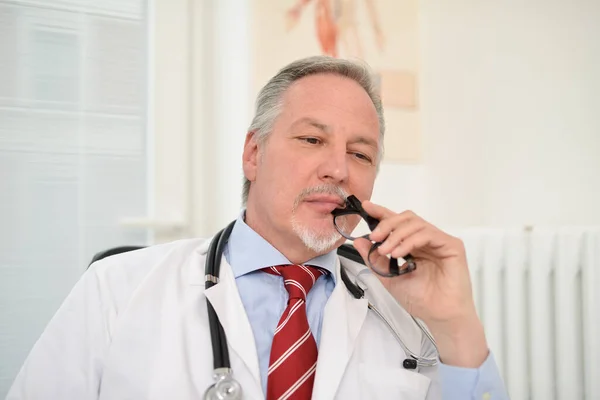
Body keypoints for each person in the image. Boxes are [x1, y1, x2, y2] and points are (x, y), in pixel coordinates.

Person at [6, 56, 509, 400]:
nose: (338, 169)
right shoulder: (116, 289)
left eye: (360, 153)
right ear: (253, 154)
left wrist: (455, 324)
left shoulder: (410, 320)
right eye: (312, 139)